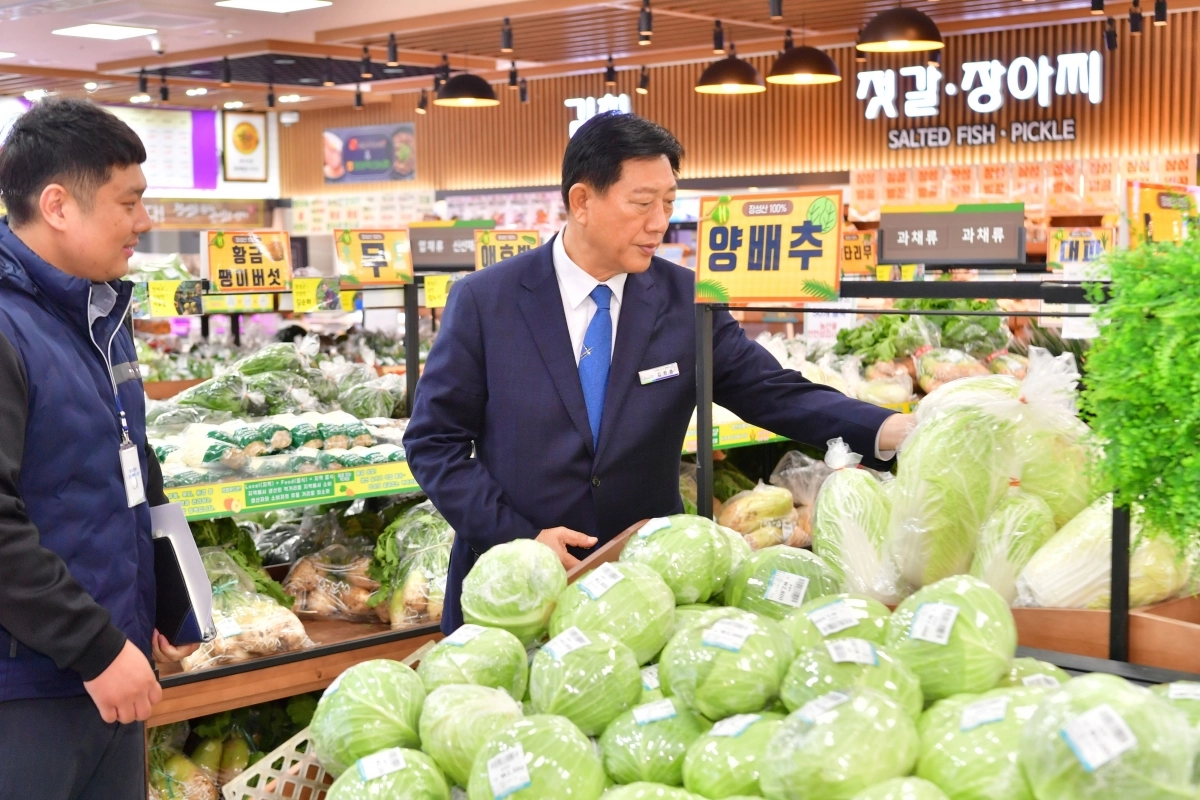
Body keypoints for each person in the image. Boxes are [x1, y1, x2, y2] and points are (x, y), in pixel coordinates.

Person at [404, 112, 914, 635]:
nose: (659, 222)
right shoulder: (487, 300)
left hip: (646, 589)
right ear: (582, 201)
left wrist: (888, 429)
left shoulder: (685, 300)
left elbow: (770, 391)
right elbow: (434, 442)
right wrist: (519, 539)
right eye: (642, 203)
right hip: (513, 590)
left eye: (669, 203)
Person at [0, 99, 197, 798]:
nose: (144, 221)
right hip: (27, 691)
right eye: (129, 201)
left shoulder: (97, 316)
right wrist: (96, 645)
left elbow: (130, 469)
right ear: (58, 205)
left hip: (109, 671)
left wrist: (167, 603)